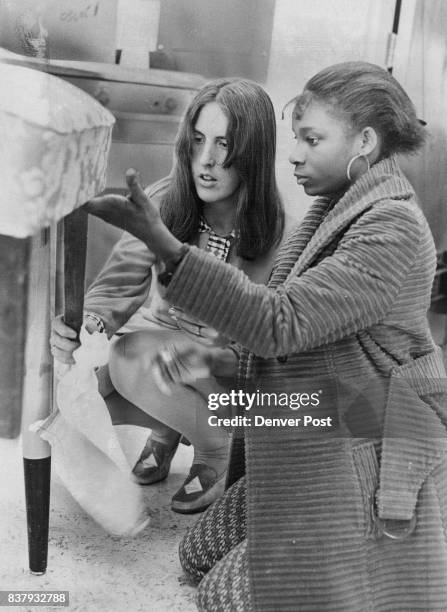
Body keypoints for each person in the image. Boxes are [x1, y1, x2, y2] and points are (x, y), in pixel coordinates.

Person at [85, 61, 447, 611]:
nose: (294, 154)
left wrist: (167, 246)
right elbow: (291, 340)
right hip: (317, 416)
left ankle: (377, 559)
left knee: (219, 597)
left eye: (311, 139)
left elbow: (282, 323)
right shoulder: (336, 207)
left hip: (363, 436)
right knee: (197, 555)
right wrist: (214, 360)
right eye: (295, 139)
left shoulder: (389, 228)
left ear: (365, 141)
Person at [50, 78, 287, 515]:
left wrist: (217, 346)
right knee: (82, 385)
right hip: (161, 353)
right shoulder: (165, 199)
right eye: (198, 140)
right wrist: (93, 324)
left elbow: (273, 342)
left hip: (227, 373)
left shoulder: (278, 230)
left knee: (131, 358)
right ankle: (167, 430)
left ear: (253, 154)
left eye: (225, 145)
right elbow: (118, 284)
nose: (207, 160)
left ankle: (215, 449)